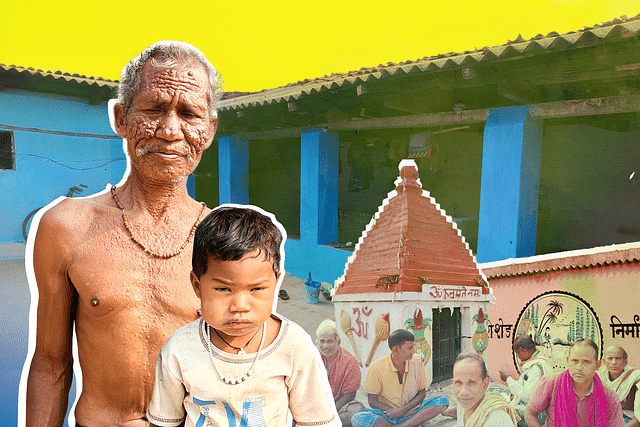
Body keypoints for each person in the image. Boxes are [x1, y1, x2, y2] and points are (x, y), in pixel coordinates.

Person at [24, 41, 220, 426]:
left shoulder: (224, 240)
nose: (169, 130)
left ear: (209, 130)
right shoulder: (67, 227)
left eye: (189, 113)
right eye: (152, 108)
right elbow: (50, 366)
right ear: (120, 118)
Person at [146, 205, 339, 427]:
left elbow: (315, 421)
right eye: (223, 289)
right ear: (197, 285)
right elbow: (163, 423)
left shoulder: (293, 346)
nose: (239, 306)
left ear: (276, 283)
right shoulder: (179, 350)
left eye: (256, 289)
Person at [351, 329, 449, 427]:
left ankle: (401, 425)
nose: (413, 351)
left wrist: (403, 410)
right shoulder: (377, 367)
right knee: (357, 419)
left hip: (412, 410)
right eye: (409, 348)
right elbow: (372, 401)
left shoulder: (417, 361)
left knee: (443, 401)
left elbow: (422, 393)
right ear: (395, 349)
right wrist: (395, 412)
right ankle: (410, 423)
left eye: (413, 347)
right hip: (388, 414)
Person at [525, 338, 625, 427]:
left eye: (586, 362)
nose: (579, 368)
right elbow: (530, 413)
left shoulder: (609, 397)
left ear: (597, 365)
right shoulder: (551, 384)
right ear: (568, 361)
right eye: (575, 361)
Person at [316, 319, 365, 426]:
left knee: (357, 411)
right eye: (322, 341)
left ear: (338, 342)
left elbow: (350, 394)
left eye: (329, 341)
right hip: (316, 403)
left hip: (339, 405)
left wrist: (331, 411)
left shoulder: (349, 361)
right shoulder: (312, 358)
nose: (325, 346)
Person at [452, 352, 518, 427]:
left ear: (485, 385)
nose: (464, 392)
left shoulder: (498, 419)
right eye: (458, 382)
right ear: (453, 383)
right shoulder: (462, 405)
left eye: (471, 382)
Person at [499, 334, 553, 422]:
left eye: (517, 353)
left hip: (540, 413)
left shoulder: (537, 367)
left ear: (522, 350)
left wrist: (508, 379)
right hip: (535, 407)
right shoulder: (536, 361)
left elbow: (527, 396)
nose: (519, 357)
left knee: (502, 413)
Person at [598, 346, 640, 426]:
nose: (614, 362)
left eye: (618, 358)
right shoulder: (598, 376)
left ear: (625, 362)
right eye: (610, 358)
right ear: (603, 361)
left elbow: (638, 417)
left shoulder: (636, 377)